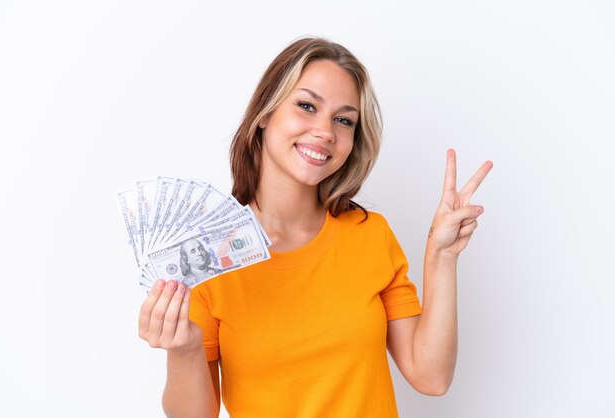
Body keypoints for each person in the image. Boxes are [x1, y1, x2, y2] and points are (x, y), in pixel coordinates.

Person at [138, 37, 493, 418]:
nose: (325, 131)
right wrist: (185, 348)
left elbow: (431, 376)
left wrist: (442, 256)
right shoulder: (206, 260)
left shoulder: (370, 234)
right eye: (307, 106)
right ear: (265, 114)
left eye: (343, 120)